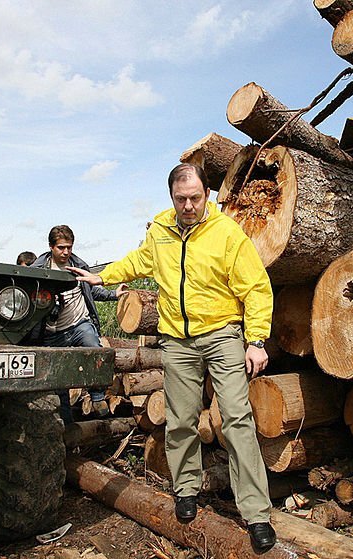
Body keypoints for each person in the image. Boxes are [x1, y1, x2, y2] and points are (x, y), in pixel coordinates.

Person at [69, 163, 277, 552]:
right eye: (181, 199)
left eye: (195, 198)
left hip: (222, 334)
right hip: (177, 341)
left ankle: (256, 513)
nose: (188, 206)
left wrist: (257, 340)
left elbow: (257, 288)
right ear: (171, 197)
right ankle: (186, 489)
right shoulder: (161, 230)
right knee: (181, 418)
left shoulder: (227, 233)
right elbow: (139, 261)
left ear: (207, 195)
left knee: (235, 419)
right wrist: (104, 276)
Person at [31, 225, 126, 423]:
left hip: (78, 324)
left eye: (69, 247)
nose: (66, 252)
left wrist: (114, 294)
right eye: (61, 248)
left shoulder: (79, 266)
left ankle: (98, 397)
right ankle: (67, 424)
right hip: (52, 333)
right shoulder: (38, 271)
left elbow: (93, 291)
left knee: (93, 348)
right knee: (59, 381)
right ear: (51, 247)